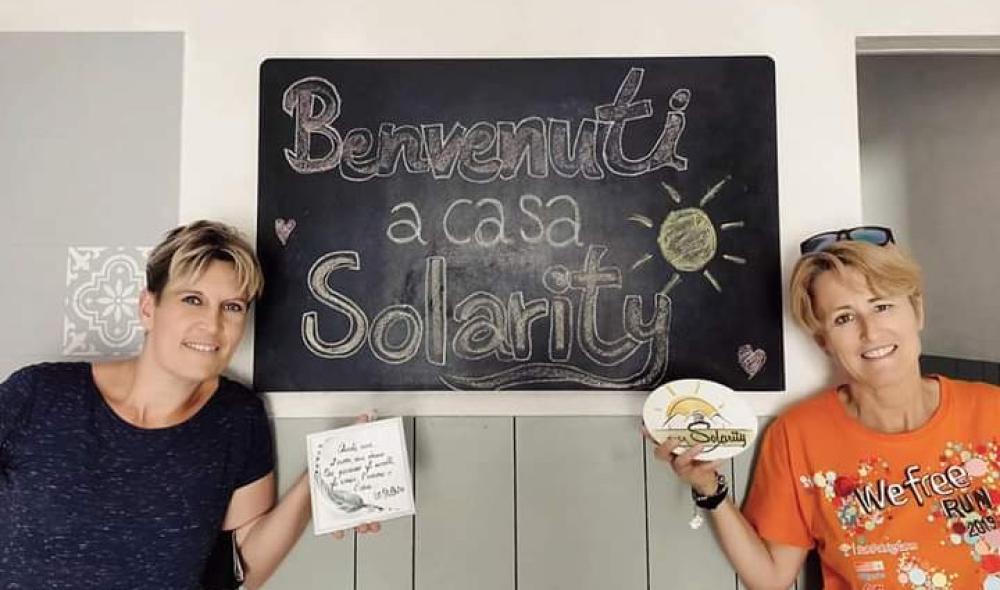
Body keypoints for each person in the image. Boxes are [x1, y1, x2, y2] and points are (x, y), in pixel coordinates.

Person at [0, 220, 376, 589]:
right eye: (193, 300)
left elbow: (242, 568)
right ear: (148, 308)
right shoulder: (39, 395)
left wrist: (322, 481)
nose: (212, 324)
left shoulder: (237, 418)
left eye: (232, 307)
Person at [650, 226, 1000, 590]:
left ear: (917, 312)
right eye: (843, 318)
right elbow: (770, 578)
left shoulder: (993, 411)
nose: (871, 332)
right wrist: (708, 487)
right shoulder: (798, 436)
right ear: (824, 342)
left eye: (882, 306)